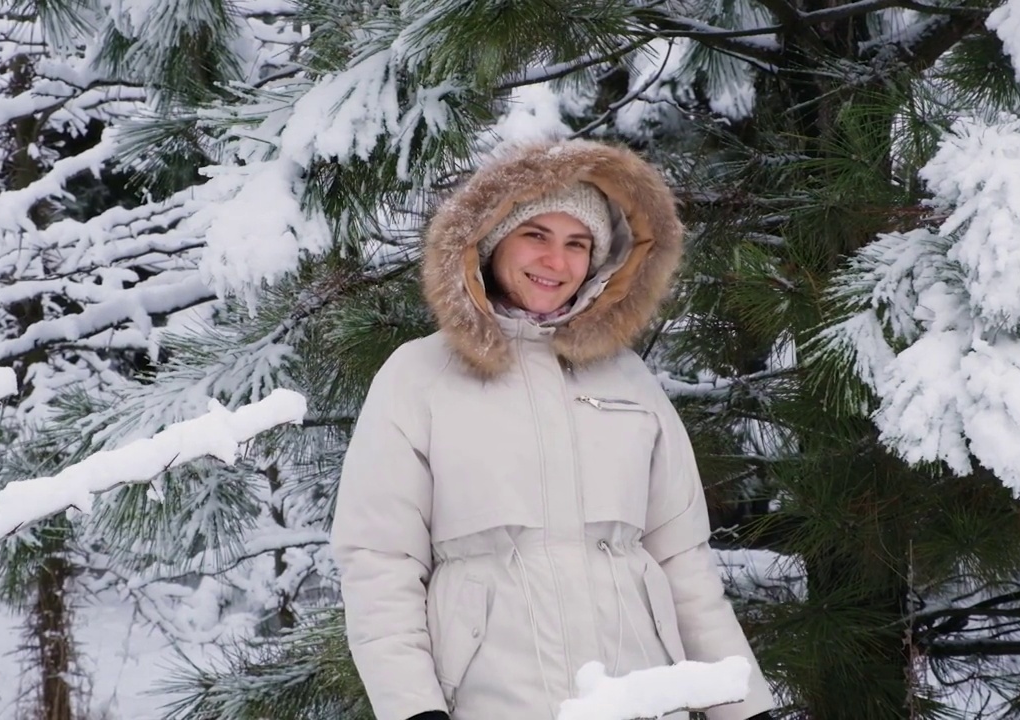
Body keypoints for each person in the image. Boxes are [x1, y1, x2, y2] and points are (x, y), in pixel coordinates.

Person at [330, 139, 774, 720]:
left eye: (577, 244)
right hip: (493, 702)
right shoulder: (419, 376)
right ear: (491, 242)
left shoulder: (628, 380)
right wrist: (414, 710)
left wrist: (743, 707)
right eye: (535, 235)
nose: (555, 262)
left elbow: (681, 562)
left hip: (638, 699)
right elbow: (379, 562)